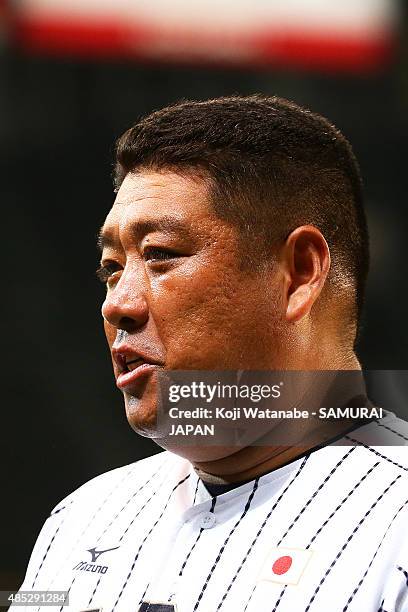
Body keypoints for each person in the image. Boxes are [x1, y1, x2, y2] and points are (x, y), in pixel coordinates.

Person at [10, 95, 408, 612]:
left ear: (300, 274)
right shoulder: (80, 521)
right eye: (111, 267)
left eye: (161, 256)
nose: (117, 303)